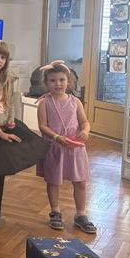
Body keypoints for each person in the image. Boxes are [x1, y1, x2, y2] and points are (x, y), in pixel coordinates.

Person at [36, 60, 96, 234]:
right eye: (53, 80)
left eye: (62, 80)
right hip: (55, 147)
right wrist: (56, 137)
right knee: (54, 181)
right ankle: (55, 211)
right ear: (46, 83)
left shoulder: (75, 102)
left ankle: (80, 215)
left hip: (75, 148)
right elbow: (42, 126)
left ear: (68, 81)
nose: (58, 84)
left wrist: (85, 130)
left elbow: (84, 122)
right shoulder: (44, 103)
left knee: (80, 182)